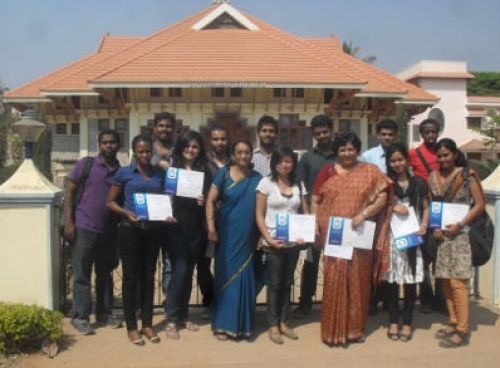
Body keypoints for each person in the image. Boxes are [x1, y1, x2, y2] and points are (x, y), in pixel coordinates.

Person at [313, 132, 391, 346]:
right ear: (336, 152)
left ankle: (354, 330)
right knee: (334, 279)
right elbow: (316, 200)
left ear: (357, 150)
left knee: (357, 282)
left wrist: (363, 214)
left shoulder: (370, 171)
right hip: (334, 235)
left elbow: (383, 197)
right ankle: (332, 331)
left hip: (359, 236)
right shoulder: (328, 171)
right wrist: (317, 228)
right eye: (342, 150)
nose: (347, 153)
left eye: (351, 149)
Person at [107, 134, 173, 346]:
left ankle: (147, 324)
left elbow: (166, 198)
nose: (145, 155)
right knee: (130, 279)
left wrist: (167, 213)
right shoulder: (124, 173)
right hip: (130, 230)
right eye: (141, 151)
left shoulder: (158, 173)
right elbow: (110, 202)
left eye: (148, 151)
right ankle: (132, 327)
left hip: (153, 230)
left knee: (149, 277)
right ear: (134, 152)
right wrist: (126, 213)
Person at [64, 129, 122, 335]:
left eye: (113, 142)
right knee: (82, 275)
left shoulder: (120, 171)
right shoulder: (86, 164)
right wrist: (69, 222)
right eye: (105, 142)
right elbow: (69, 192)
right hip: (84, 228)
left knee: (105, 274)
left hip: (108, 231)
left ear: (118, 145)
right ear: (99, 144)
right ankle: (80, 317)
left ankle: (104, 314)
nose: (109, 146)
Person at [429, 138, 485, 348]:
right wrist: (435, 226)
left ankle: (463, 328)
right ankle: (453, 321)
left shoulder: (466, 175)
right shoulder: (433, 177)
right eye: (440, 156)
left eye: (446, 155)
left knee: (458, 282)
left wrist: (460, 224)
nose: (443, 159)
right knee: (445, 280)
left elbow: (479, 205)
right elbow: (434, 204)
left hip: (461, 235)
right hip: (442, 237)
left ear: (454, 154)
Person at [206, 141, 262, 340]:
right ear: (233, 154)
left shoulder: (258, 179)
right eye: (239, 152)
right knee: (225, 277)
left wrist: (261, 235)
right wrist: (211, 228)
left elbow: (263, 210)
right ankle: (222, 324)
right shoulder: (223, 173)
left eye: (247, 152)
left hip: (247, 236)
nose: (244, 156)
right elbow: (210, 201)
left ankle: (242, 325)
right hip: (226, 234)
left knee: (243, 277)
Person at [255, 147, 309, 344]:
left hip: (293, 243)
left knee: (287, 283)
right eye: (281, 161)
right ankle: (273, 324)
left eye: (288, 161)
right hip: (273, 242)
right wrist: (268, 239)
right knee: (275, 284)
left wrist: (304, 234)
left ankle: (285, 321)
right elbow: (259, 214)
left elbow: (305, 212)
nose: (285, 165)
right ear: (274, 163)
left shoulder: (298, 184)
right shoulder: (265, 183)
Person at [164, 131, 212, 339]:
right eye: (187, 146)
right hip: (176, 229)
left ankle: (183, 315)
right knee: (180, 271)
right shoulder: (173, 170)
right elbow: (166, 196)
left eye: (195, 146)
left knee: (189, 271)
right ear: (180, 148)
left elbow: (210, 199)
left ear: (199, 150)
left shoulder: (204, 171)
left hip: (196, 229)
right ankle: (172, 319)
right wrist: (166, 212)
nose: (190, 150)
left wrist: (204, 200)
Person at [384, 143, 429, 342]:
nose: (397, 163)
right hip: (392, 237)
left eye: (400, 159)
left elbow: (426, 207)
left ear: (407, 160)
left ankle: (408, 322)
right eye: (393, 160)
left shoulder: (419, 183)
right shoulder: (385, 184)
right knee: (392, 280)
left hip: (412, 236)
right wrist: (393, 206)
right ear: (389, 163)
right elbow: (378, 205)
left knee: (410, 280)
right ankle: (394, 320)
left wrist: (424, 224)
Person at [294, 114, 336, 318]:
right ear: (313, 135)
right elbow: (301, 188)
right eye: (318, 133)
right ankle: (305, 302)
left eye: (325, 132)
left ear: (331, 131)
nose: (322, 136)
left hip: (338, 219)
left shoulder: (342, 155)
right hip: (314, 216)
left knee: (336, 262)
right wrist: (308, 218)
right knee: (311, 263)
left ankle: (333, 302)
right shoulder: (308, 158)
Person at [408, 118, 445, 313]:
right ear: (421, 134)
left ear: (438, 132)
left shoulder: (443, 152)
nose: (430, 135)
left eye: (433, 131)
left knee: (440, 255)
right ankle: (426, 298)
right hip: (420, 207)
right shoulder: (413, 154)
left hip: (440, 207)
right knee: (421, 256)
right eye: (426, 132)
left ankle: (441, 299)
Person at [197, 125, 230, 319]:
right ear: (210, 141)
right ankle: (209, 301)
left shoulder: (234, 162)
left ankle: (224, 302)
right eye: (216, 139)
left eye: (223, 139)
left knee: (225, 264)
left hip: (228, 221)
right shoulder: (203, 163)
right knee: (203, 265)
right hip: (207, 221)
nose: (220, 143)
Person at [151, 112, 176, 315]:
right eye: (161, 126)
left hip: (172, 216)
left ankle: (169, 304)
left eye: (168, 126)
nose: (164, 129)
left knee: (169, 264)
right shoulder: (144, 149)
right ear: (154, 128)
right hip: (149, 216)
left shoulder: (179, 152)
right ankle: (145, 305)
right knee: (148, 263)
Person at [252, 115, 279, 295]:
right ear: (258, 132)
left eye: (271, 131)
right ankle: (248, 304)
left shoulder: (282, 156)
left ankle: (274, 310)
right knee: (253, 263)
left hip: (276, 219)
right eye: (264, 130)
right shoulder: (250, 157)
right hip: (253, 217)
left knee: (275, 266)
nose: (267, 134)